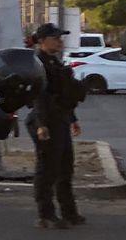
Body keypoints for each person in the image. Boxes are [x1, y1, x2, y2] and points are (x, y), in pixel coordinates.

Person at [28, 22, 86, 229]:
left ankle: (69, 212)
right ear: (42, 41)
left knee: (65, 168)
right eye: (55, 38)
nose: (60, 42)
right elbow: (39, 96)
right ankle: (46, 215)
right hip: (45, 120)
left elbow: (63, 94)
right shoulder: (38, 64)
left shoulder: (55, 62)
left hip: (59, 118)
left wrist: (73, 119)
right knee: (47, 169)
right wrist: (41, 125)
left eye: (60, 38)